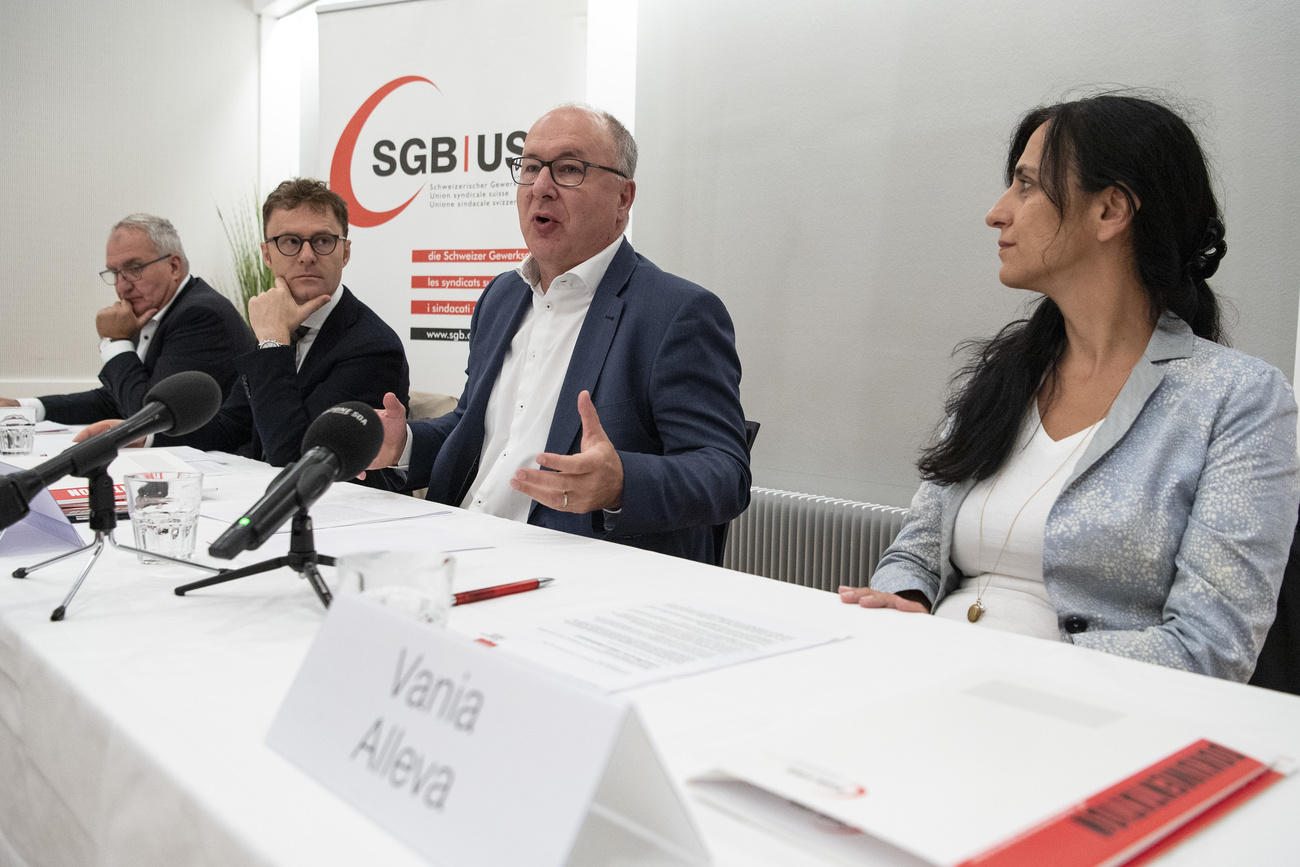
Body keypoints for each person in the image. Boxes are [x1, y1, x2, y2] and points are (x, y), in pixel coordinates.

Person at [839, 94, 1300, 682]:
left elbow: (1211, 648)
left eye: (1027, 185)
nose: (997, 213)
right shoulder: (1002, 376)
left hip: (1086, 708)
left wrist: (1000, 662)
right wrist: (903, 602)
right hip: (932, 675)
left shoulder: (1238, 398)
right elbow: (914, 552)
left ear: (1110, 210)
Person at [366, 105, 751, 563]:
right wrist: (404, 443)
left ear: (623, 198)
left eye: (569, 169)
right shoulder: (502, 296)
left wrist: (621, 482)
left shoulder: (676, 312)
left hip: (566, 570)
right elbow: (475, 430)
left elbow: (725, 474)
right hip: (455, 545)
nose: (541, 187)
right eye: (530, 168)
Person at [78, 180, 410, 482]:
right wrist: (144, 436)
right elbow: (228, 427)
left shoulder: (372, 346)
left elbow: (295, 458)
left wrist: (273, 342)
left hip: (348, 514)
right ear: (267, 254)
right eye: (290, 242)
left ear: (345, 252)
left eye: (323, 241)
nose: (307, 256)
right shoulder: (279, 324)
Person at [1, 214, 254, 423]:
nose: (122, 287)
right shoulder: (154, 309)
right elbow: (115, 400)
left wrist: (117, 341)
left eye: (134, 269)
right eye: (114, 273)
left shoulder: (200, 315)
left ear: (174, 267)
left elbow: (148, 417)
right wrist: (26, 408)